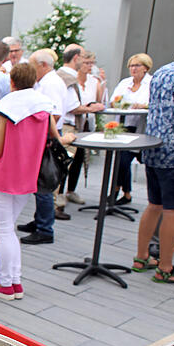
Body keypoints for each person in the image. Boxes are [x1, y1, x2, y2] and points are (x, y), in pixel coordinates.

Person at [0, 64, 74, 300]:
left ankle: (7, 283)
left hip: (4, 174)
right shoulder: (43, 106)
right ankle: (14, 281)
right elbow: (55, 138)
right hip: (29, 176)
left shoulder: (6, 107)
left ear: (12, 82)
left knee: (4, 230)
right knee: (11, 229)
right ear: (34, 80)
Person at [130, 56, 174, 282]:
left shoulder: (163, 71)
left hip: (153, 145)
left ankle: (141, 257)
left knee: (154, 204)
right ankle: (165, 267)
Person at [17, 49, 69, 245]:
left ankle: (45, 228)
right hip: (44, 138)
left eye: (33, 65)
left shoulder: (51, 84)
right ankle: (40, 221)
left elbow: (52, 114)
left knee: (43, 184)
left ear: (43, 65)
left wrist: (38, 131)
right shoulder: (47, 82)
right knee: (39, 183)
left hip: (45, 140)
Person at [55, 45, 106, 217]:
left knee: (77, 160)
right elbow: (72, 107)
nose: (89, 65)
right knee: (65, 161)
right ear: (77, 59)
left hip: (82, 124)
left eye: (92, 62)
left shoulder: (92, 81)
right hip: (69, 123)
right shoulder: (66, 78)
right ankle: (58, 197)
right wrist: (90, 109)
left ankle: (69, 191)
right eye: (86, 61)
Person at [110, 53, 153, 206]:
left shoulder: (152, 83)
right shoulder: (125, 83)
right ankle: (125, 193)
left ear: (146, 68)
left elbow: (153, 102)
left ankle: (116, 191)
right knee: (121, 160)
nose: (133, 69)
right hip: (123, 125)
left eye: (137, 65)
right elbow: (114, 101)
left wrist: (142, 106)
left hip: (140, 127)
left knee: (124, 160)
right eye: (131, 66)